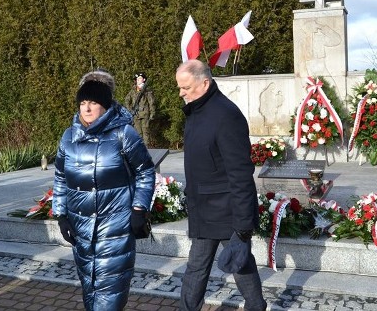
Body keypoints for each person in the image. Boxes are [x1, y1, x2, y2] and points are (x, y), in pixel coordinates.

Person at [53, 69, 156, 311]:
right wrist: (61, 215)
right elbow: (59, 177)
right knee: (89, 290)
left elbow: (145, 171)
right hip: (81, 230)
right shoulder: (69, 136)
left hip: (116, 227)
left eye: (94, 103)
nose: (87, 109)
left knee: (110, 294)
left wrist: (139, 208)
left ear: (106, 106)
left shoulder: (124, 134)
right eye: (83, 103)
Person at [175, 60, 267, 311]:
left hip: (227, 210)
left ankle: (257, 306)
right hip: (204, 207)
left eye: (186, 87)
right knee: (196, 266)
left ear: (204, 83)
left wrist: (243, 223)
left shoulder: (226, 115)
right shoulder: (196, 111)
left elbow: (240, 172)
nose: (181, 93)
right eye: (179, 88)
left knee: (240, 264)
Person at [124, 72, 156, 146]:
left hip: (145, 113)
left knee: (146, 132)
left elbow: (151, 102)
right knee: (138, 133)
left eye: (140, 78)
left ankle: (146, 149)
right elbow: (127, 100)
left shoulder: (147, 90)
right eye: (137, 79)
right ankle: (140, 149)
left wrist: (152, 113)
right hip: (136, 114)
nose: (138, 80)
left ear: (144, 80)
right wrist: (130, 109)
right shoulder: (133, 90)